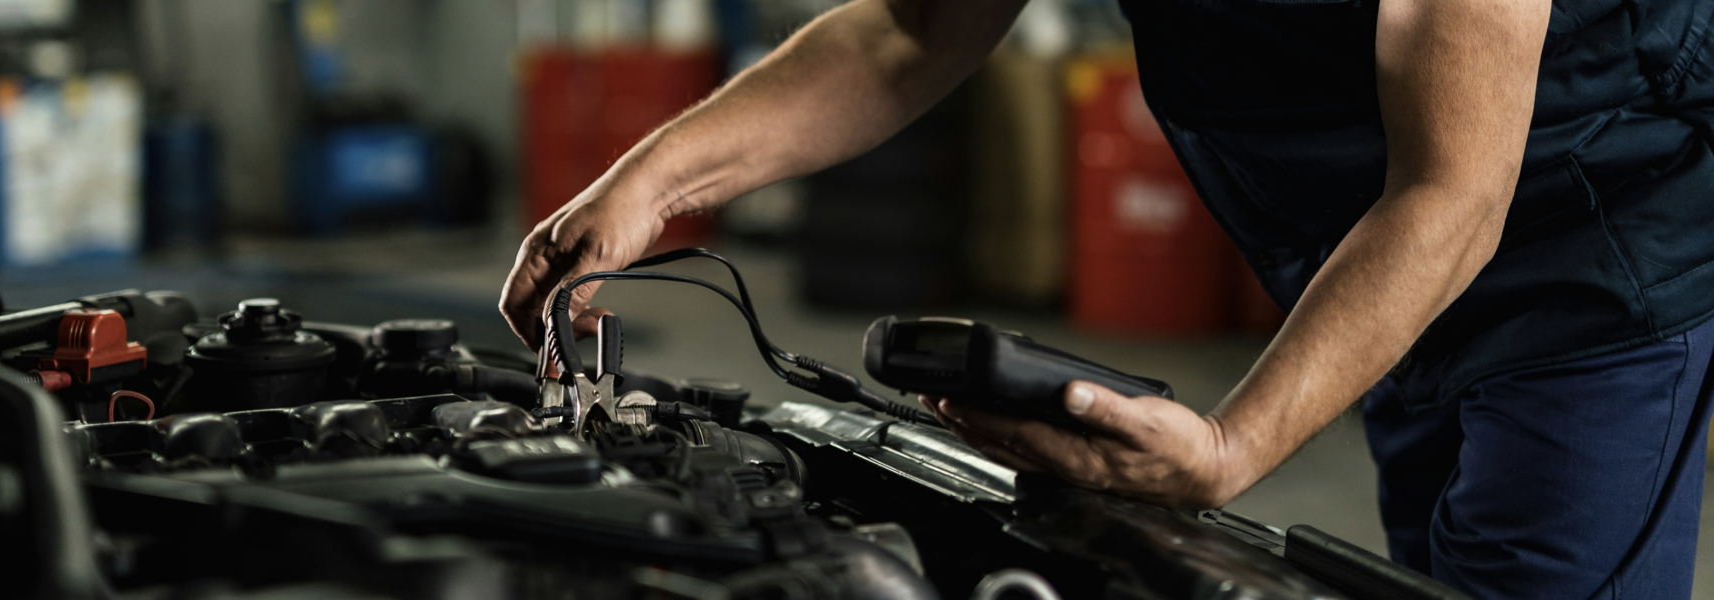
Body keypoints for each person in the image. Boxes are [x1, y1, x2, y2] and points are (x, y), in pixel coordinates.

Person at [498, 0, 1714, 596]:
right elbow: (905, 37)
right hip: (1368, 257)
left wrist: (1235, 445)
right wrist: (654, 179)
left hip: (1599, 253)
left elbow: (1453, 191)